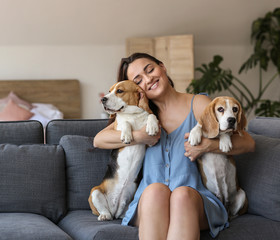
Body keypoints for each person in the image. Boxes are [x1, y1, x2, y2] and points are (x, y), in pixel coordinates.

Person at [93, 53, 255, 240]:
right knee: (155, 191)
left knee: (181, 195)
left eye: (150, 70)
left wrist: (207, 145)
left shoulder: (197, 104)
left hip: (194, 200)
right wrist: (140, 136)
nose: (148, 79)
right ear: (137, 90)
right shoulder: (139, 115)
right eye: (139, 80)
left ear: (162, 67)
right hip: (149, 202)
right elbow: (99, 139)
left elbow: (248, 143)